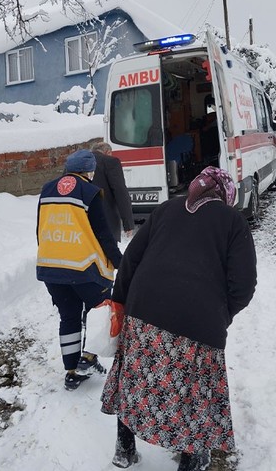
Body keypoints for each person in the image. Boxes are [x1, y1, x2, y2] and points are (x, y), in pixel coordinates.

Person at [100, 166, 257, 470]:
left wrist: (120, 302)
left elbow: (130, 261)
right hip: (198, 325)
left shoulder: (165, 209)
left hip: (142, 314)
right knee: (195, 398)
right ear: (225, 195)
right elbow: (243, 286)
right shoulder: (233, 222)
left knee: (135, 381)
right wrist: (219, 316)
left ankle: (124, 450)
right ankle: (191, 463)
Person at [37, 149, 123, 391]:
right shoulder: (90, 192)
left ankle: (72, 371)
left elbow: (40, 229)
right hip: (83, 268)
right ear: (89, 171)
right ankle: (88, 357)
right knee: (96, 313)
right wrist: (120, 262)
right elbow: (103, 234)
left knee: (69, 317)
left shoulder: (47, 190)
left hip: (51, 268)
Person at [90, 142, 135, 242]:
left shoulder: (76, 163)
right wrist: (128, 222)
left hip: (80, 219)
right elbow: (120, 191)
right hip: (105, 218)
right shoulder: (110, 162)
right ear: (108, 152)